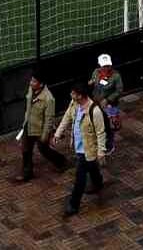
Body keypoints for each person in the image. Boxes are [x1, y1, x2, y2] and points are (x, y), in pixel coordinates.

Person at [54, 82, 109, 217]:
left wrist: (101, 151)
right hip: (79, 147)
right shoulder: (74, 104)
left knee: (80, 177)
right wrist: (58, 133)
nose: (71, 95)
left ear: (80, 95)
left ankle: (73, 205)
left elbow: (101, 132)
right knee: (91, 166)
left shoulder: (94, 111)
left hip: (88, 148)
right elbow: (67, 117)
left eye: (73, 93)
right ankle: (98, 182)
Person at [16, 73, 66, 182]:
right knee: (25, 149)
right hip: (28, 125)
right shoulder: (31, 89)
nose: (31, 83)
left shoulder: (49, 99)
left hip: (40, 129)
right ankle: (27, 172)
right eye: (31, 80)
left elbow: (49, 119)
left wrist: (44, 135)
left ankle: (61, 161)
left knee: (44, 149)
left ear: (41, 84)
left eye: (34, 81)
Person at [89, 55, 124, 150]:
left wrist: (108, 99)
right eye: (104, 66)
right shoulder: (96, 72)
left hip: (109, 104)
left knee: (111, 125)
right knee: (97, 122)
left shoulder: (116, 76)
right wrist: (91, 82)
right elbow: (93, 80)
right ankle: (99, 139)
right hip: (96, 101)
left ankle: (110, 143)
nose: (106, 68)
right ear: (99, 65)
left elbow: (119, 90)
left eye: (108, 65)